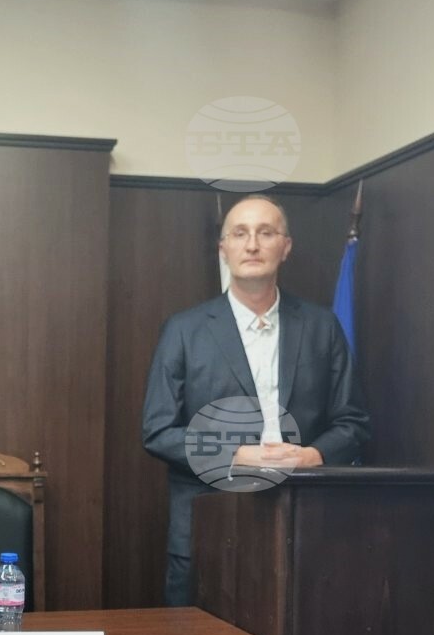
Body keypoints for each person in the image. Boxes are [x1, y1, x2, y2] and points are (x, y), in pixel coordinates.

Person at [141, 194, 370, 606]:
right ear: (223, 248)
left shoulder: (322, 327)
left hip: (301, 521)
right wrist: (236, 455)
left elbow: (352, 422)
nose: (252, 245)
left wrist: (313, 455)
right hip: (208, 524)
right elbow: (159, 432)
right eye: (240, 233)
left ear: (286, 246)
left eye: (265, 233)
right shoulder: (184, 331)